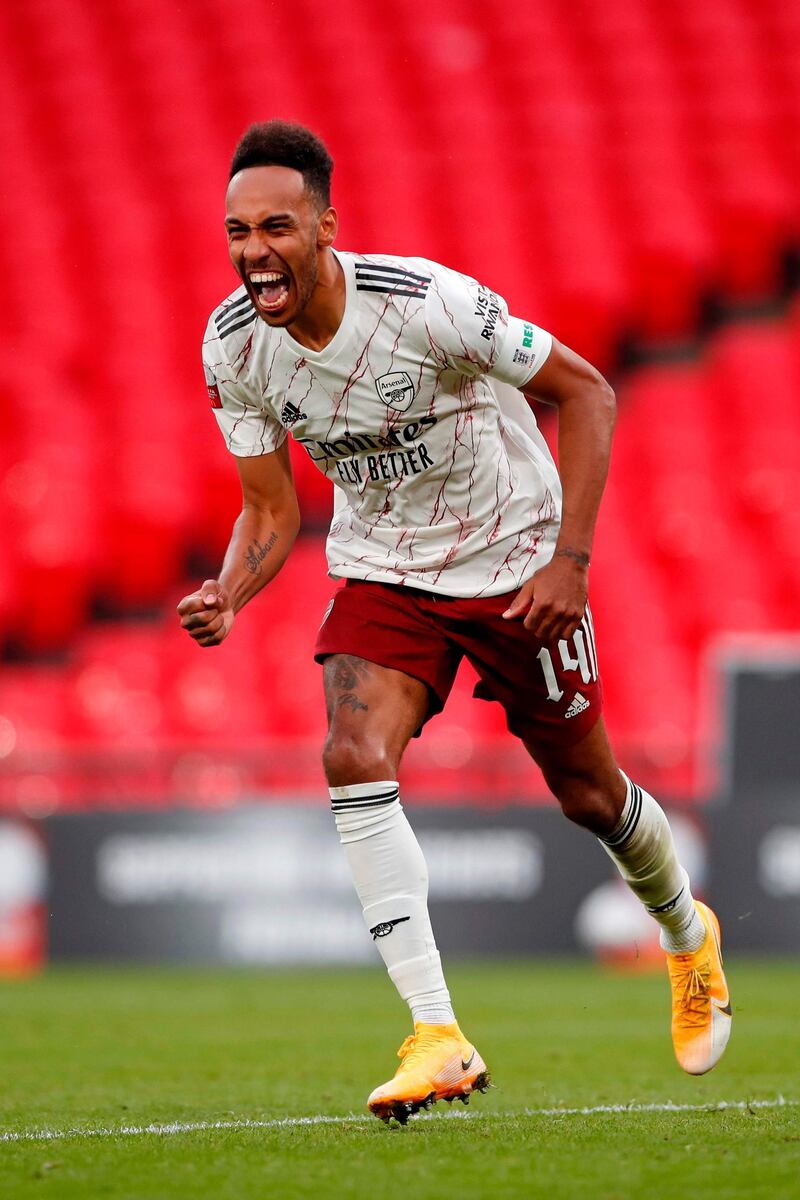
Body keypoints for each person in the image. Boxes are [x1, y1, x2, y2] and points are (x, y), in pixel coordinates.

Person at [178, 120, 731, 1124]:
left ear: (325, 227)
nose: (252, 248)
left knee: (588, 794)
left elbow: (586, 391)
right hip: (385, 571)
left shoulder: (427, 303)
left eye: (275, 226)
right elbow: (270, 510)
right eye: (235, 231)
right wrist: (228, 590)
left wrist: (569, 561)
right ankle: (435, 1033)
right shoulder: (231, 346)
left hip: (517, 563)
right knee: (350, 754)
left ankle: (686, 935)